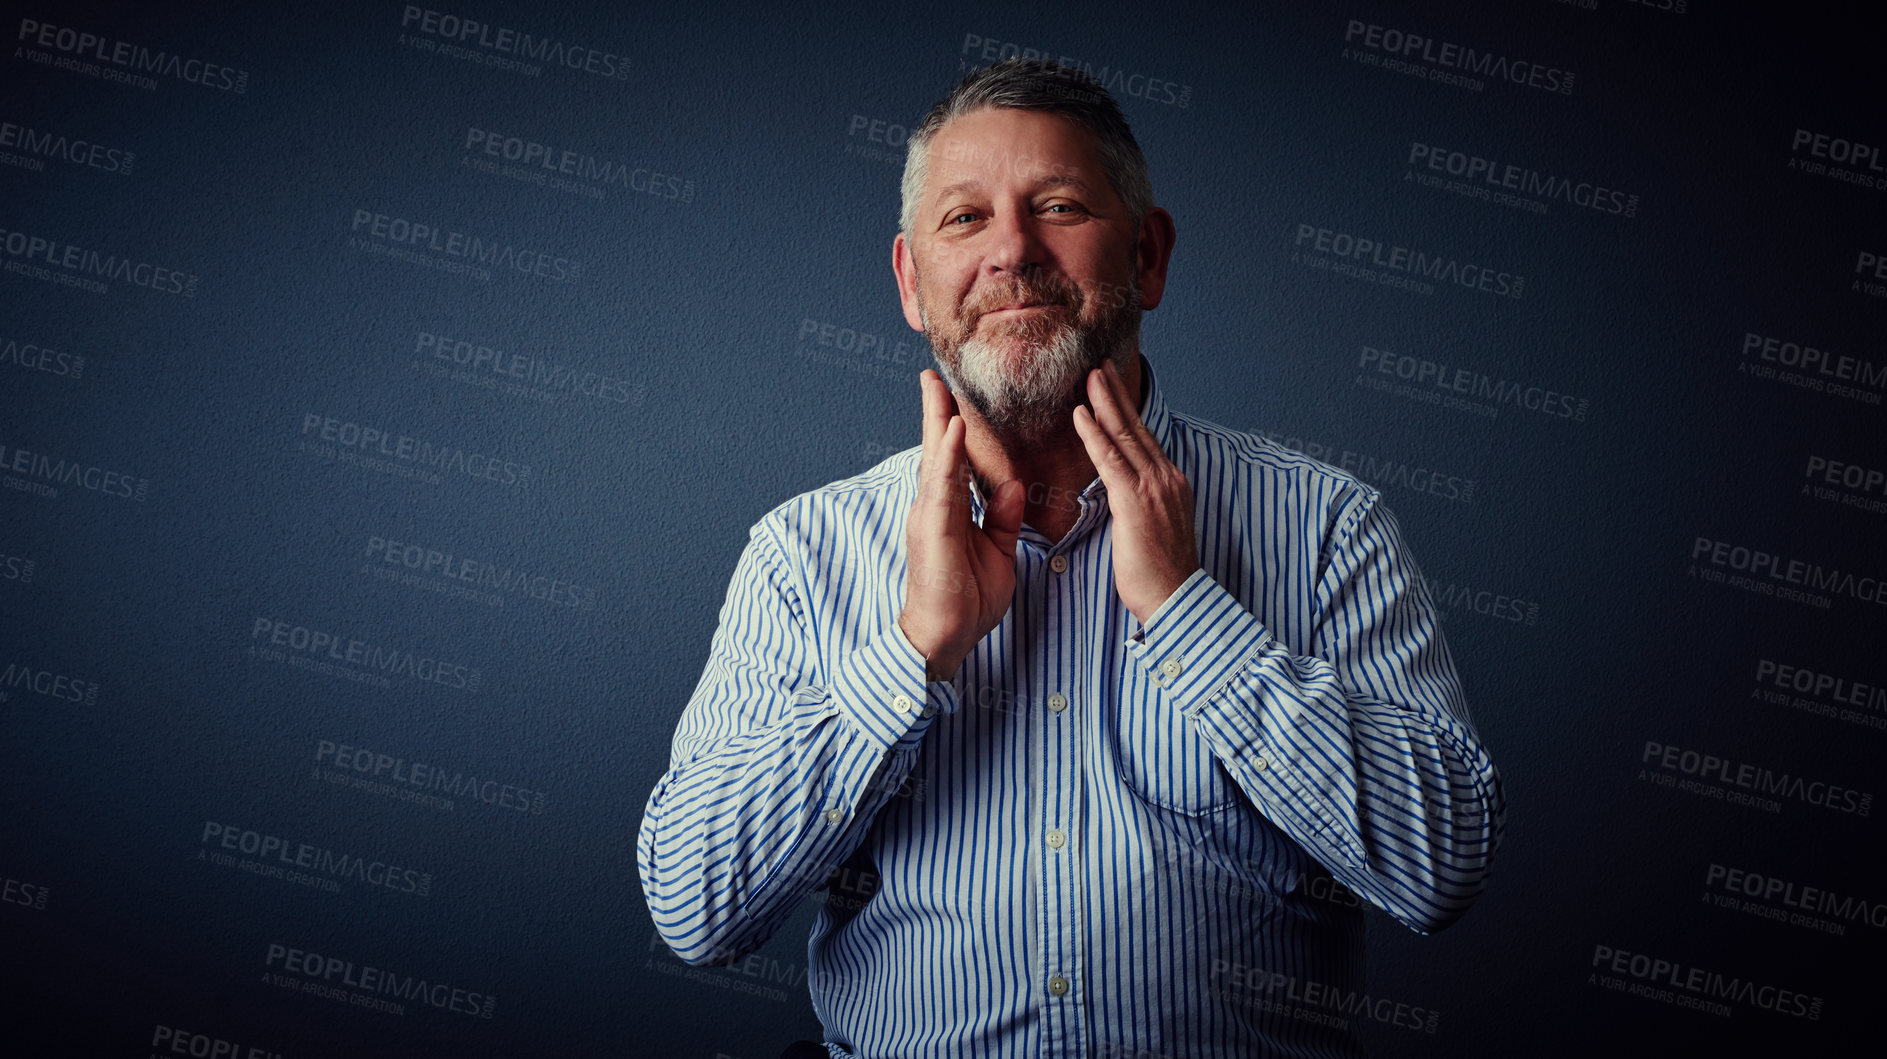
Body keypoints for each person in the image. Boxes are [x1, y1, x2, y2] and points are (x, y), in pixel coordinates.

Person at [638, 58, 1504, 1058]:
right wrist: (914, 651)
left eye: (1057, 205)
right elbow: (696, 910)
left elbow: (1440, 870)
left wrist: (1191, 615)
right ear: (913, 286)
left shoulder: (1326, 526)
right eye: (965, 218)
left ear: (1150, 255)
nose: (1012, 249)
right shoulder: (804, 555)